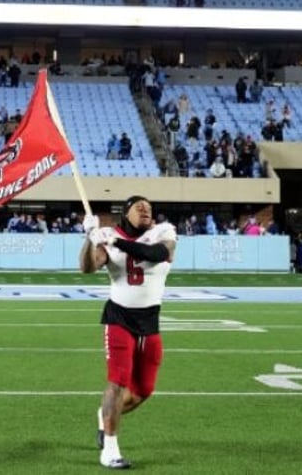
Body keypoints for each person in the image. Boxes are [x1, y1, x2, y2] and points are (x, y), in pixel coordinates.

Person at [79, 196, 178, 470]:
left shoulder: (164, 231)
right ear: (126, 213)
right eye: (139, 207)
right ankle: (109, 449)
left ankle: (104, 415)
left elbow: (158, 254)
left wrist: (116, 243)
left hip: (150, 320)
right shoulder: (109, 234)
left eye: (149, 207)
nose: (146, 211)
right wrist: (90, 237)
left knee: (143, 391)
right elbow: (87, 267)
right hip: (119, 316)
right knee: (118, 381)